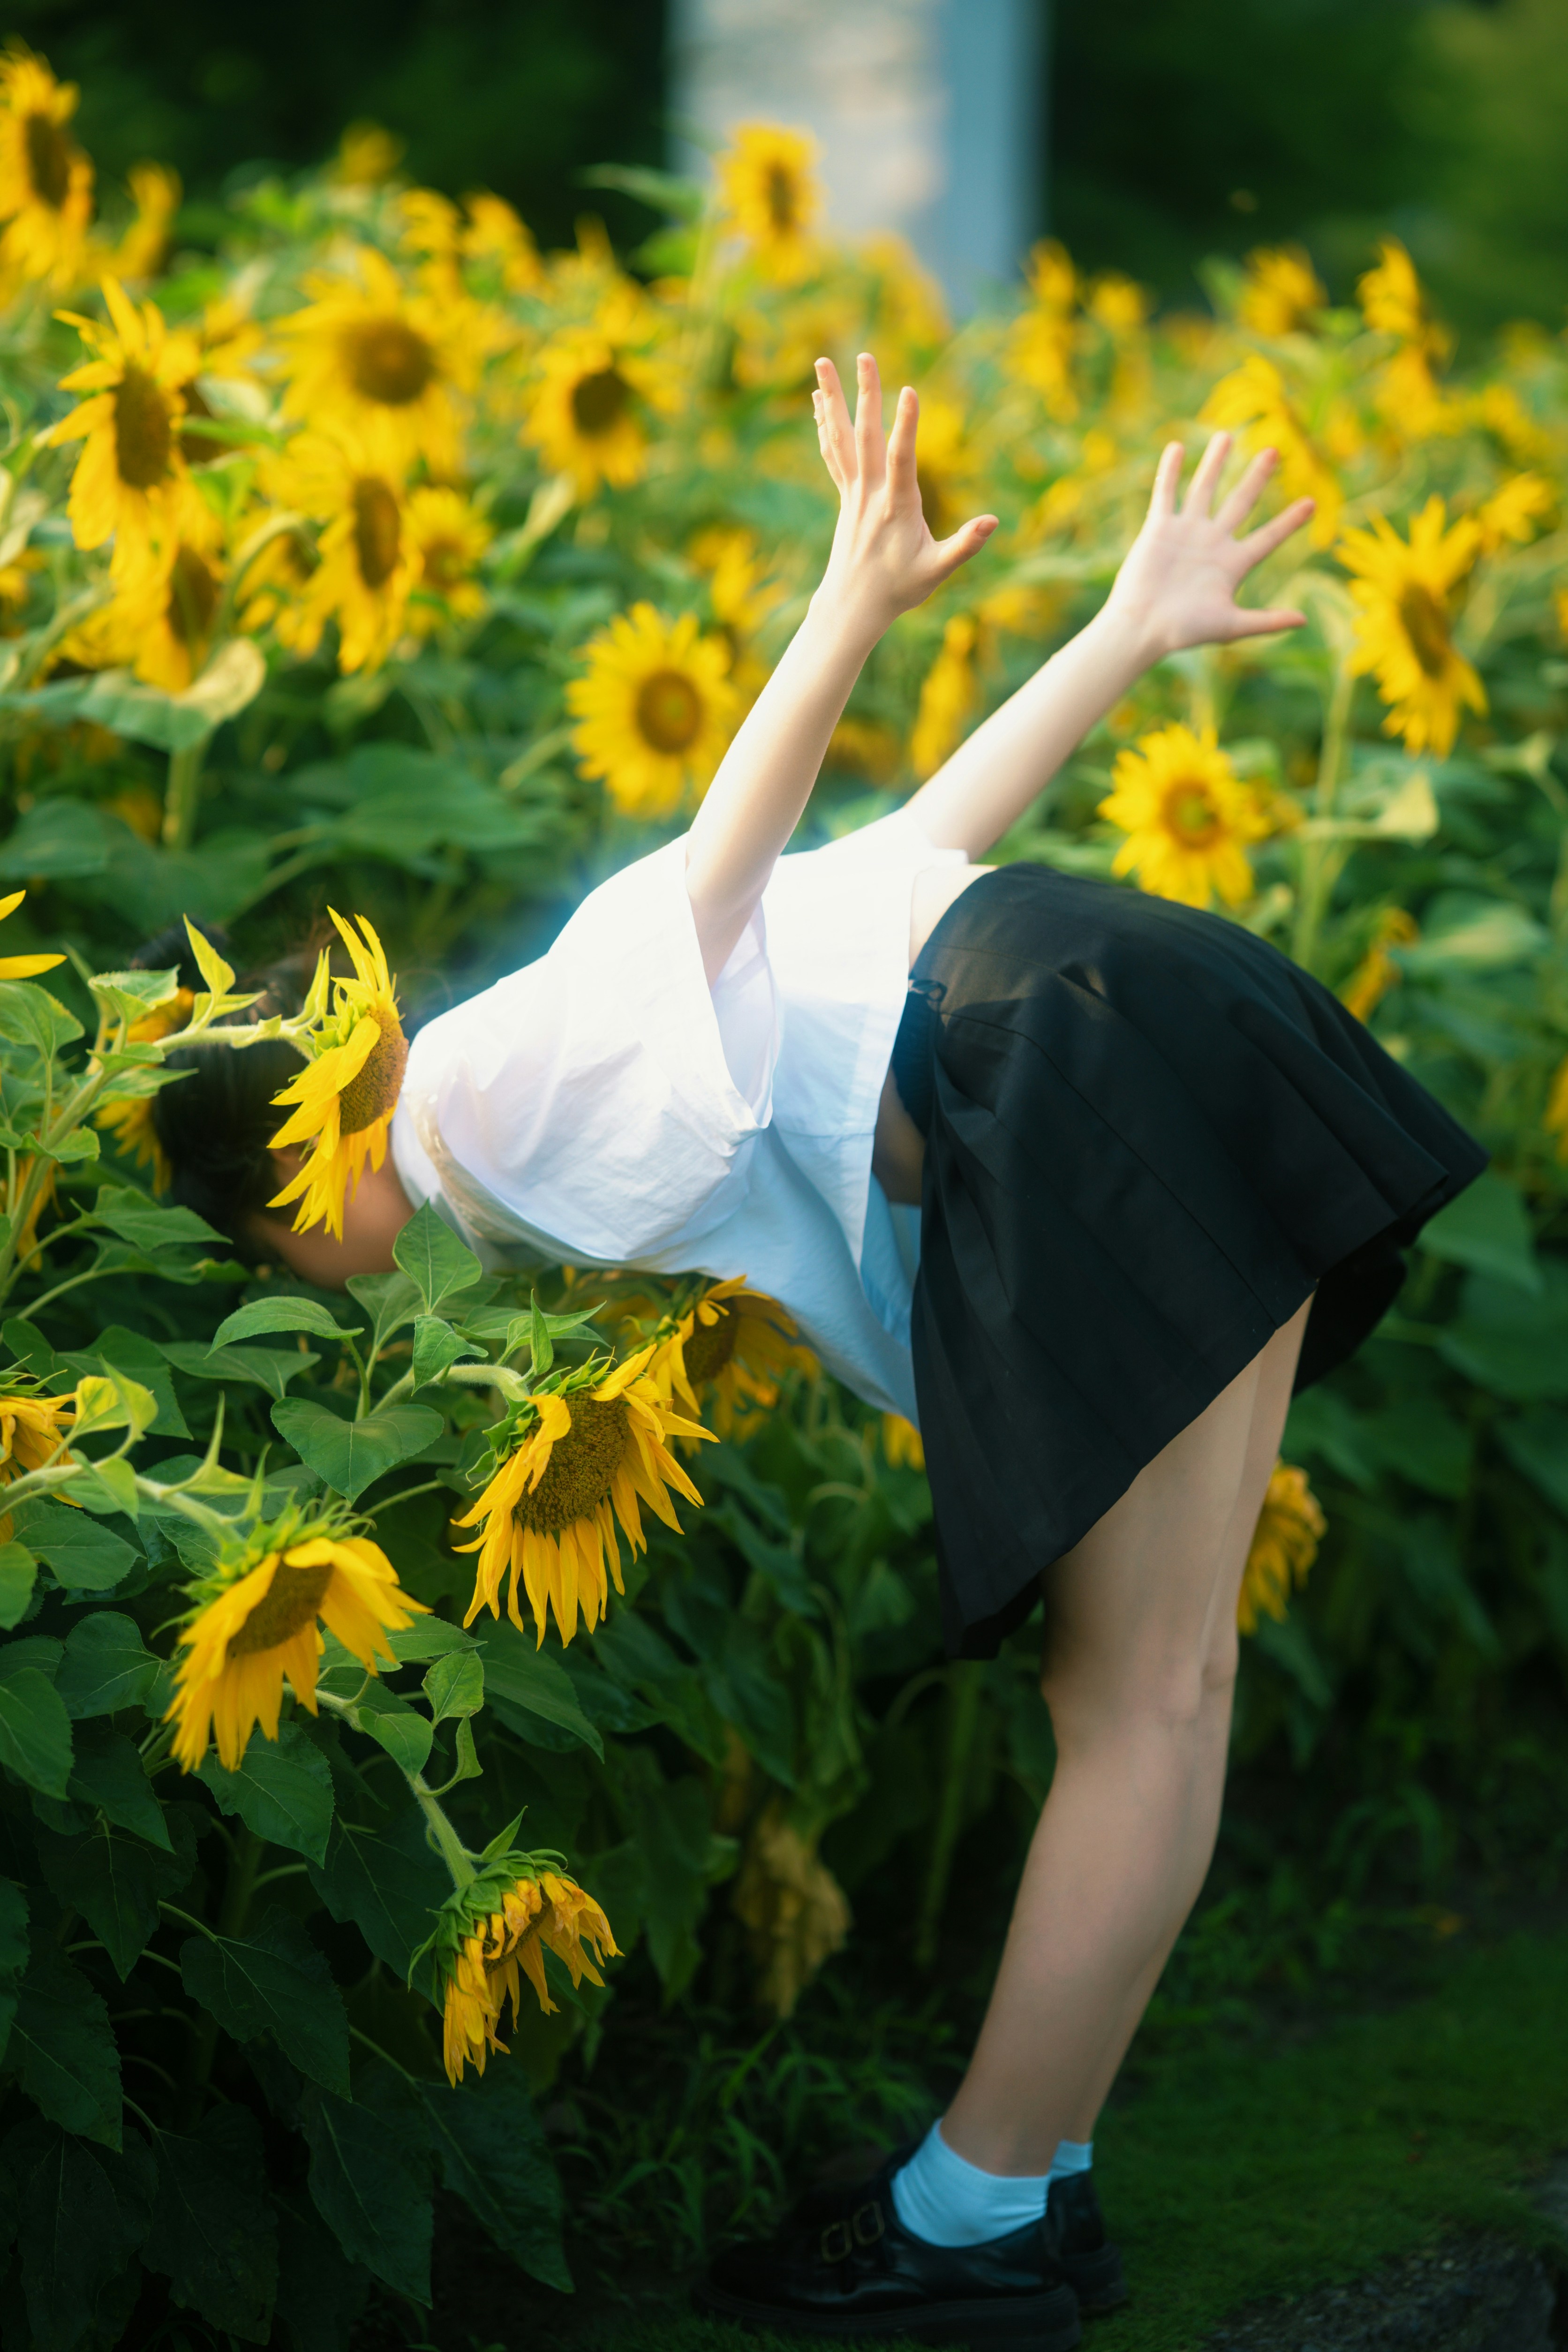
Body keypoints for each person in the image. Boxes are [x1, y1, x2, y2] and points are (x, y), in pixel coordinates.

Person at [156, 356, 1485, 2349]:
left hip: (1065, 1071)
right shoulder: (510, 1055)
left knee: (1132, 1699)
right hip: (1120, 1005)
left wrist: (843, 609)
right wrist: (1121, 630)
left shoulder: (470, 1105)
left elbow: (711, 895)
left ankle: (976, 2223)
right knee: (1158, 1686)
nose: (309, 1268)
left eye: (263, 1231)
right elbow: (917, 847)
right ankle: (1022, 2176)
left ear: (290, 1171)